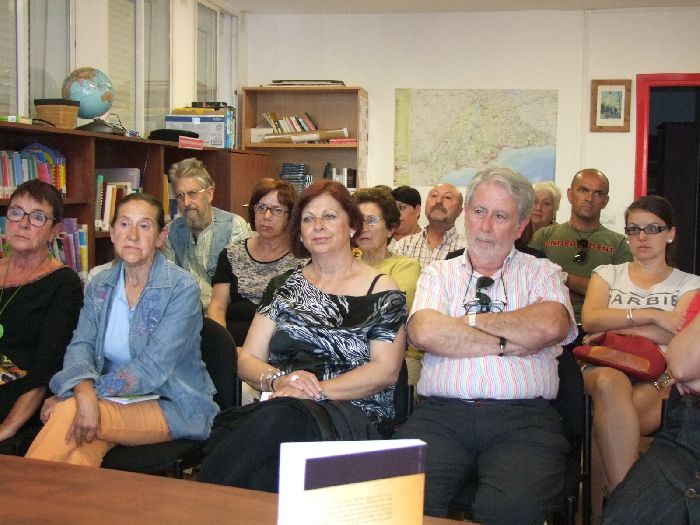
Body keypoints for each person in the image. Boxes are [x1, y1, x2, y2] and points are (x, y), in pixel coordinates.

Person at [198, 180, 406, 491]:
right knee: (261, 470)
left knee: (267, 427)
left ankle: (201, 500)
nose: (318, 225)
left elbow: (385, 371)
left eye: (329, 216)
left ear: (352, 225)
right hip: (285, 407)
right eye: (308, 219)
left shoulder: (382, 289)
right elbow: (248, 359)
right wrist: (280, 381)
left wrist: (314, 391)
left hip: (354, 412)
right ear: (299, 232)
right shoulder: (284, 286)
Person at [395, 167, 577, 523]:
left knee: (511, 510)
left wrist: (466, 323)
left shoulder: (542, 272)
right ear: (466, 214)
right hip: (440, 416)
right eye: (479, 211)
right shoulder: (439, 273)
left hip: (524, 421)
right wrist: (508, 341)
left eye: (500, 216)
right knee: (399, 499)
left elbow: (550, 324)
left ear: (520, 226)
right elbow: (425, 332)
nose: (486, 226)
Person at [26, 193, 217, 467]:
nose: (133, 235)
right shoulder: (100, 284)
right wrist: (83, 392)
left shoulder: (181, 289)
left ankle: (15, 494)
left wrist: (85, 395)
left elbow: (152, 368)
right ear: (113, 232)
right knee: (77, 451)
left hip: (172, 404)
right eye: (125, 224)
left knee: (68, 413)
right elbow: (81, 345)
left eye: (144, 226)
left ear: (161, 237)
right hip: (108, 403)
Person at [580, 195, 700, 512]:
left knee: (606, 427)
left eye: (652, 228)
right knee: (609, 382)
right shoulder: (607, 274)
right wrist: (655, 316)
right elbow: (591, 319)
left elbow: (677, 334)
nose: (642, 236)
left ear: (670, 234)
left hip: (661, 375)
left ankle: (611, 511)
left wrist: (618, 326)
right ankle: (632, 507)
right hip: (605, 364)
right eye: (634, 229)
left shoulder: (690, 284)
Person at [0, 180, 82, 452]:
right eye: (16, 212)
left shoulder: (63, 284)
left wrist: (9, 427)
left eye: (37, 217)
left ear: (54, 231)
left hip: (21, 392)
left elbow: (45, 369)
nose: (23, 223)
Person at [207, 178, 306, 346]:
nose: (267, 216)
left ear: (290, 217)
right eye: (261, 208)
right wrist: (224, 347)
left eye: (277, 210)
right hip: (232, 345)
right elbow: (217, 306)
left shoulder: (303, 259)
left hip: (279, 348)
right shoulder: (232, 253)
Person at [530, 168, 633, 327]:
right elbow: (530, 283)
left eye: (598, 193)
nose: (589, 198)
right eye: (583, 190)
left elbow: (620, 294)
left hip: (597, 329)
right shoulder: (543, 236)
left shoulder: (619, 244)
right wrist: (594, 290)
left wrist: (565, 279)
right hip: (548, 325)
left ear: (605, 201)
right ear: (570, 195)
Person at [353, 187, 422, 385]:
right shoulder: (345, 265)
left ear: (390, 228)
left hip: (399, 358)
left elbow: (388, 316)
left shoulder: (406, 266)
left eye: (371, 220)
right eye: (358, 220)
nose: (364, 227)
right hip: (349, 353)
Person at [164, 158, 251, 310]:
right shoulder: (171, 232)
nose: (186, 202)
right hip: (184, 313)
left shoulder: (233, 226)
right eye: (180, 195)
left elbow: (241, 288)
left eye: (192, 193)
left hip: (225, 313)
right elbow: (168, 283)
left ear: (209, 194)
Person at [392, 182, 466, 267]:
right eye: (434, 196)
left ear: (459, 211)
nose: (438, 201)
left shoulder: (468, 251)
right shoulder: (403, 246)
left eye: (447, 197)